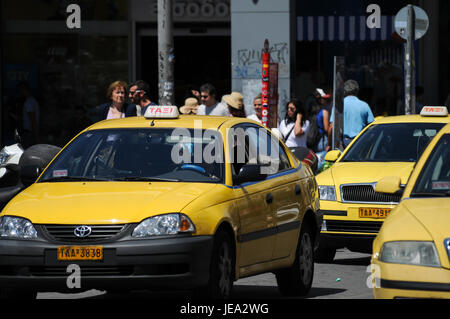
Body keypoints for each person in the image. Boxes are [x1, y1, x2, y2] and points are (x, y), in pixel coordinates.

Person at [330, 80, 374, 148]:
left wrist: (329, 144)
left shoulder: (338, 105)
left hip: (343, 143)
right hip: (360, 142)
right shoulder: (364, 105)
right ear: (357, 91)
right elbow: (372, 126)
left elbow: (332, 126)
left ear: (344, 91)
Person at [17, 82, 40, 148]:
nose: (19, 93)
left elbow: (32, 119)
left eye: (20, 90)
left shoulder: (29, 102)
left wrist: (36, 136)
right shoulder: (32, 101)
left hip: (30, 133)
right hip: (31, 132)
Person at [314, 88, 332, 152]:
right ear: (320, 100)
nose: (326, 100)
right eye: (324, 99)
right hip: (323, 139)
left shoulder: (316, 110)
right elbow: (326, 128)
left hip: (315, 138)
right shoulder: (325, 111)